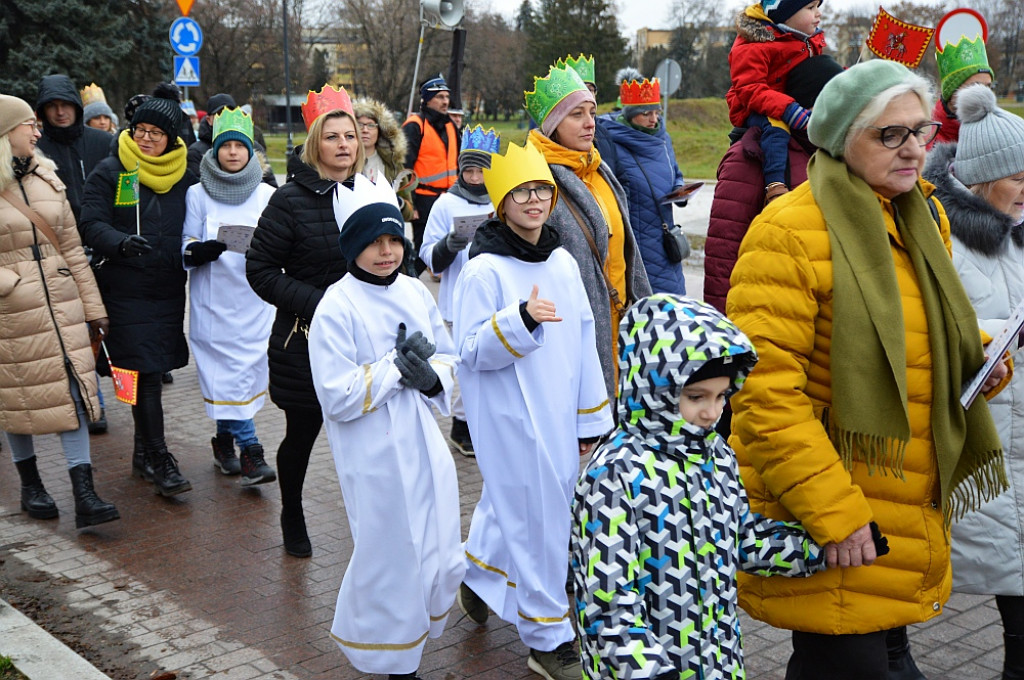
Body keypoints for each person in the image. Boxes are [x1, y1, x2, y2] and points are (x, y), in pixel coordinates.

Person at [726, 59, 1009, 679]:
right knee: (843, 660)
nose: (914, 149)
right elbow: (763, 395)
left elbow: (918, 327)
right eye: (891, 134)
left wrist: (980, 359)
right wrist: (834, 511)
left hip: (901, 496)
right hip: (837, 505)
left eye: (921, 131)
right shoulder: (788, 232)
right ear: (839, 137)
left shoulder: (919, 214)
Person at [573, 295, 831, 679]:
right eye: (696, 397)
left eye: (722, 396)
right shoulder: (615, 474)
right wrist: (648, 670)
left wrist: (818, 549)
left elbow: (742, 539)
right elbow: (607, 601)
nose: (711, 412)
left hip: (717, 663)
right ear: (655, 387)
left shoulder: (716, 455)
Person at [453, 141, 614, 680]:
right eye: (521, 191)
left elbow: (586, 334)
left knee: (520, 507)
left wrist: (590, 418)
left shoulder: (562, 260)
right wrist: (520, 321)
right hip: (511, 416)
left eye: (541, 190)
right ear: (501, 201)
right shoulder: (484, 271)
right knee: (542, 518)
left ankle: (477, 577)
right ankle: (547, 639)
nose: (534, 200)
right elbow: (471, 350)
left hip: (559, 409)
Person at [309, 201, 463, 680]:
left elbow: (448, 357)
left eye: (394, 240)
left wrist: (431, 380)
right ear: (353, 246)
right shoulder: (336, 304)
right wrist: (394, 367)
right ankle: (393, 660)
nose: (386, 251)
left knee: (435, 539)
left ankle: (413, 638)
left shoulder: (415, 291)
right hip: (370, 448)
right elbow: (336, 394)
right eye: (375, 242)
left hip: (420, 437)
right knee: (390, 549)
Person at [922, 84, 1024, 680]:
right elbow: (933, 322)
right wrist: (992, 336)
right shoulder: (946, 239)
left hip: (1018, 426)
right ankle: (891, 652)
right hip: (980, 426)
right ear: (983, 178)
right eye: (1018, 176)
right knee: (974, 547)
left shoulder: (1019, 228)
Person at [246, 84, 369, 558]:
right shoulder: (289, 201)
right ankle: (292, 511)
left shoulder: (370, 193)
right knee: (302, 435)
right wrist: (320, 304)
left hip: (364, 343)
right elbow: (259, 270)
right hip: (305, 340)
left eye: (350, 136)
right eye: (332, 136)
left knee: (367, 439)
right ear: (315, 142)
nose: (343, 145)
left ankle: (372, 525)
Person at [0, 94, 119, 528]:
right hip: (13, 314)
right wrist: (11, 284)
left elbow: (70, 248)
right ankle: (31, 485)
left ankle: (84, 493)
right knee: (17, 399)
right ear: (5, 130)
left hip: (63, 306)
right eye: (27, 124)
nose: (37, 131)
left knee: (73, 393)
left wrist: (94, 308)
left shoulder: (46, 176)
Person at [79, 96, 198, 498]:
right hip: (124, 288)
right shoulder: (112, 171)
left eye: (156, 133)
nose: (146, 139)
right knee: (144, 373)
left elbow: (198, 222)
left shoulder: (185, 175)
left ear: (170, 138)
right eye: (140, 131)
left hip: (166, 288)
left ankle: (142, 454)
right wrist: (119, 243)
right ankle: (160, 457)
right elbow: (91, 223)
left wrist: (197, 250)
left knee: (146, 369)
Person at [526, 62, 651, 403]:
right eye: (576, 114)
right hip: (575, 331)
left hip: (622, 322)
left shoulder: (598, 168)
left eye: (592, 112)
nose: (589, 122)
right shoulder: (535, 180)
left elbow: (627, 250)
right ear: (553, 124)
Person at [704, 53, 844, 314]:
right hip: (764, 313)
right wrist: (722, 328)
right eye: (829, 103)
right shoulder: (749, 155)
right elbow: (723, 252)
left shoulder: (832, 154)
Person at [182, 107, 276, 487]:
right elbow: (184, 242)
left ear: (251, 151)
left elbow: (281, 243)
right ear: (215, 150)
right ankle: (251, 452)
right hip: (213, 303)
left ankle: (224, 442)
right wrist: (198, 250)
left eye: (240, 146)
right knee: (227, 377)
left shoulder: (268, 194)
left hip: (254, 303)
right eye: (226, 146)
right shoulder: (196, 194)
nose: (233, 153)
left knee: (240, 380)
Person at [419, 124, 499, 456]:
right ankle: (461, 426)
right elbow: (426, 255)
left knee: (492, 362)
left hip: (496, 294)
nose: (476, 176)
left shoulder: (502, 198)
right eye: (470, 169)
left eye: (482, 169)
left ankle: (479, 422)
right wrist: (449, 245)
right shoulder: (445, 204)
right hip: (459, 299)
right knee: (467, 365)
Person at [595, 76, 688, 295]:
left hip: (667, 239)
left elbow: (675, 171)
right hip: (636, 243)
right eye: (646, 113)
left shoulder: (663, 138)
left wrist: (681, 189)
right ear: (629, 114)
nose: (653, 119)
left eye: (656, 112)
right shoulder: (612, 143)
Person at [726, 1, 825, 204]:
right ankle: (775, 185)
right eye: (810, 8)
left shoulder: (803, 39)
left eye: (817, 6)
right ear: (785, 13)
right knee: (776, 128)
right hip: (754, 106)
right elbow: (749, 88)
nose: (819, 14)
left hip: (787, 98)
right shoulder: (753, 43)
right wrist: (789, 109)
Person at [34, 76, 113, 221]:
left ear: (76, 106)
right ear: (43, 111)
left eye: (65, 104)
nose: (60, 112)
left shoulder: (104, 141)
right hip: (57, 233)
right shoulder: (34, 146)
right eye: (51, 106)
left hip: (104, 232)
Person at [403, 75, 459, 275]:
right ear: (427, 99)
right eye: (440, 97)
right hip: (424, 200)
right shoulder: (415, 125)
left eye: (447, 97)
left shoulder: (451, 126)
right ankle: (408, 283)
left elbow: (458, 163)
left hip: (450, 198)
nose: (445, 101)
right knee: (422, 251)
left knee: (453, 249)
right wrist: (411, 203)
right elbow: (405, 167)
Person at [929, 9, 994, 148]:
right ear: (951, 92)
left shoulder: (999, 132)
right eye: (973, 87)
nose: (983, 95)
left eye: (987, 87)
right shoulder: (925, 137)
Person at [187, 93, 275, 186]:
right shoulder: (196, 152)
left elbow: (270, 185)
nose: (225, 117)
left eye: (230, 112)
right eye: (220, 114)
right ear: (209, 119)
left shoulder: (255, 147)